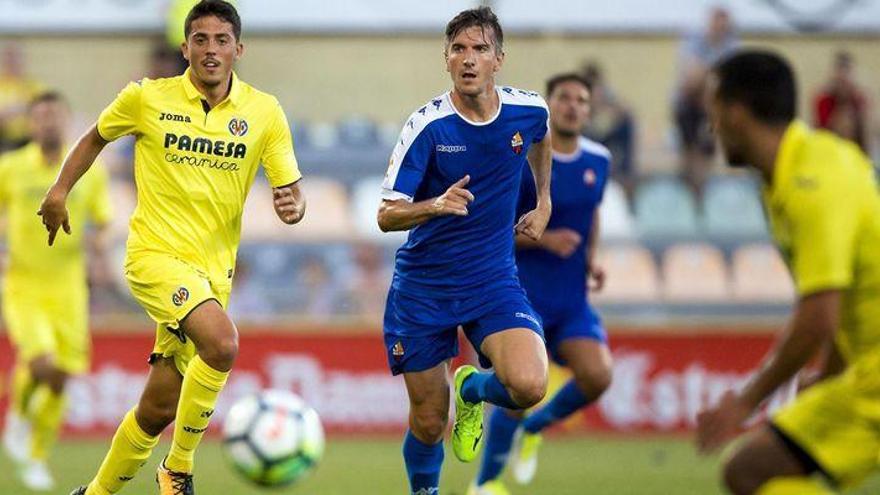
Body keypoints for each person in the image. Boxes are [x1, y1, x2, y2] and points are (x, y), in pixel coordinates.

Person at [37, 2, 306, 494]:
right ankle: (177, 468)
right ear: (185, 48)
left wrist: (293, 205)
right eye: (200, 40)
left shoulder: (264, 112)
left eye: (221, 40)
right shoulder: (147, 98)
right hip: (154, 258)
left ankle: (94, 492)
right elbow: (95, 137)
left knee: (158, 407)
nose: (210, 50)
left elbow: (291, 190)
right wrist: (59, 190)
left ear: (239, 49)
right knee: (222, 344)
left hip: (213, 273)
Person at [377, 7, 552, 494]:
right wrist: (435, 205)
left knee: (529, 385)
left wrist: (544, 201)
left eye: (479, 49)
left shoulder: (528, 111)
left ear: (499, 59)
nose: (468, 58)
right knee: (430, 421)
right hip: (424, 288)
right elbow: (386, 215)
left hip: (492, 282)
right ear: (446, 59)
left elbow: (541, 138)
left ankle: (472, 387)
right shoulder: (428, 126)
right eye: (458, 49)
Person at [696, 50, 880, 495]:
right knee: (752, 471)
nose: (712, 127)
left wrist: (745, 401)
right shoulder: (796, 171)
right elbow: (847, 295)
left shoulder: (811, 184)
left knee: (750, 472)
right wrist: (832, 373)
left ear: (737, 113)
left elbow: (819, 317)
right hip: (865, 370)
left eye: (714, 111)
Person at [468, 73, 613, 495]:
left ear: (589, 110)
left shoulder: (599, 160)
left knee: (598, 376)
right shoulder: (523, 163)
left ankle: (534, 429)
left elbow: (592, 212)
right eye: (563, 98)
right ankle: (485, 484)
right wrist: (545, 239)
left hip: (571, 300)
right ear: (548, 105)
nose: (572, 106)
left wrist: (591, 259)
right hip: (523, 296)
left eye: (581, 100)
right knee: (520, 391)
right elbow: (491, 230)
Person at [0, 91, 112, 491]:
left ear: (66, 121)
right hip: (24, 283)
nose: (48, 122)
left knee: (61, 376)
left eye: (55, 115)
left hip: (69, 287)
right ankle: (19, 418)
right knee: (42, 362)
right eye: (41, 115)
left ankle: (37, 455)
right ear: (31, 123)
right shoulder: (11, 168)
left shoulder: (89, 171)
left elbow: (102, 222)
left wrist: (98, 250)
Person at [673, 6, 738, 197]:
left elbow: (731, 80)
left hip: (712, 106)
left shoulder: (731, 46)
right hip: (688, 104)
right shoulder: (694, 41)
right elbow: (690, 79)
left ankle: (700, 191)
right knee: (690, 151)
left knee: (706, 150)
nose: (720, 28)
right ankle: (691, 190)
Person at [813, 51, 870, 153]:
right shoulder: (823, 101)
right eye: (840, 78)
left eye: (846, 75)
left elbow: (867, 136)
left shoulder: (860, 100)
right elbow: (820, 133)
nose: (843, 81)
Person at [0, 43, 44, 152]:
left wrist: (22, 109)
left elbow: (43, 108)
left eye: (15, 58)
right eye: (8, 58)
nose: (12, 62)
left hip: (29, 140)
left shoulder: (34, 86)